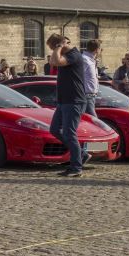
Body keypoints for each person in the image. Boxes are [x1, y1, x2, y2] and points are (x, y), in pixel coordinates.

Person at [47, 34, 86, 177]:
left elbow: (56, 61)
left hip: (74, 100)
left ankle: (76, 167)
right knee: (55, 129)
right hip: (64, 100)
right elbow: (53, 61)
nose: (53, 51)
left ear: (60, 45)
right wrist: (57, 48)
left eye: (53, 47)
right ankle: (81, 154)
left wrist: (58, 47)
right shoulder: (65, 54)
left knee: (70, 133)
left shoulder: (74, 55)